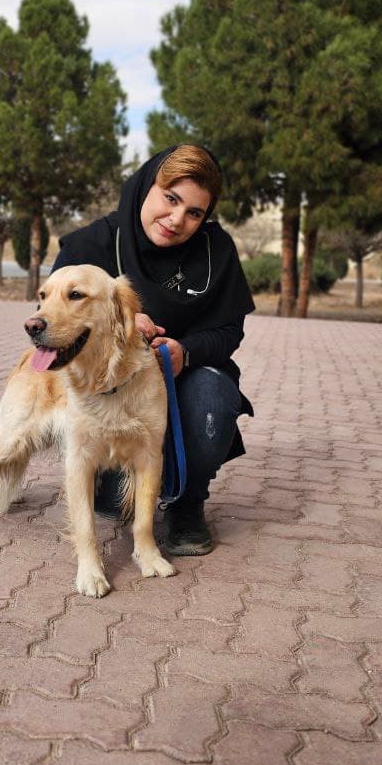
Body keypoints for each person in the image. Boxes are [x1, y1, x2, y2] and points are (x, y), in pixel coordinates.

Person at [51, 145, 254, 556]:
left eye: (195, 213)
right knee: (111, 506)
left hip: (185, 380)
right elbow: (54, 318)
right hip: (111, 389)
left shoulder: (217, 252)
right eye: (171, 199)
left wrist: (186, 351)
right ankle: (109, 485)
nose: (177, 220)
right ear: (148, 185)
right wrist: (116, 323)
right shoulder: (93, 244)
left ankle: (186, 504)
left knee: (213, 397)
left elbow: (229, 331)